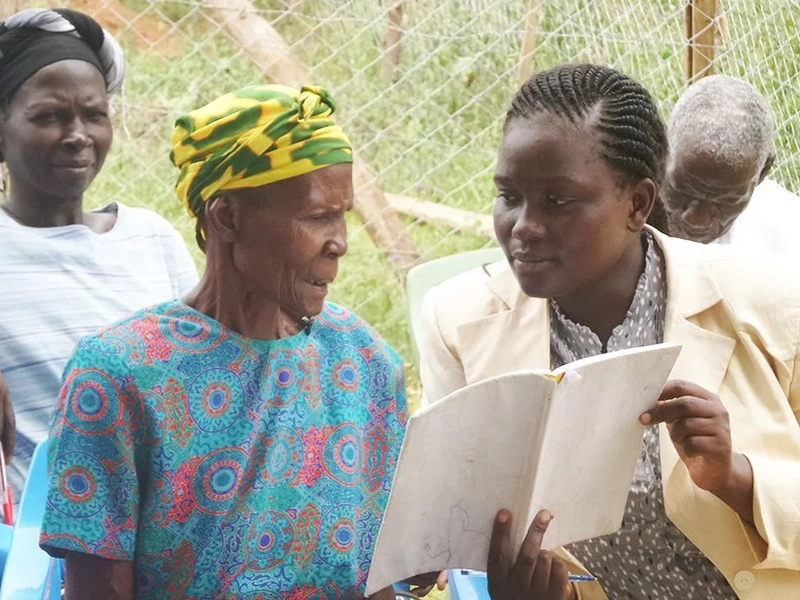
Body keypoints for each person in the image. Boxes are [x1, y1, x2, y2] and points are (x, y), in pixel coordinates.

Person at [419, 64, 800, 599]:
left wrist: (735, 479)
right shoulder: (459, 324)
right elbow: (462, 525)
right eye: (509, 196)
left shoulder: (771, 302)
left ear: (638, 203)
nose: (523, 226)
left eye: (558, 200)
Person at [38, 83, 422, 599]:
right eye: (316, 217)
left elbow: (378, 576)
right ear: (226, 217)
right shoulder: (119, 377)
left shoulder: (367, 365)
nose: (341, 243)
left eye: (342, 214)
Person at [0, 8, 198, 498]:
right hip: (37, 542)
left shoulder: (151, 239)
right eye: (49, 116)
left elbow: (200, 377)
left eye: (94, 114)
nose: (78, 135)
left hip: (165, 514)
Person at [662, 74, 800, 251]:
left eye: (726, 200)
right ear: (662, 148)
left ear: (763, 171)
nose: (696, 221)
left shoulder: (788, 238)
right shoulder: (626, 202)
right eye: (682, 190)